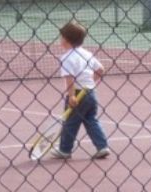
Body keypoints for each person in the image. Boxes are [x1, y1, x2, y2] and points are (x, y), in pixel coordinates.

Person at [51, 21, 110, 159]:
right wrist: (90, 83)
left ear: (65, 39)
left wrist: (71, 96)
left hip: (77, 94)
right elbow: (100, 69)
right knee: (91, 120)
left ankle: (64, 150)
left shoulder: (66, 58)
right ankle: (102, 146)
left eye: (61, 37)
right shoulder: (87, 54)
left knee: (70, 122)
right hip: (90, 93)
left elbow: (69, 78)